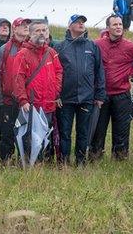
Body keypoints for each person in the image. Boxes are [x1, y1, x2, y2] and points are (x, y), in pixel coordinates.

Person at [91, 15, 133, 160]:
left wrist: (132, 73)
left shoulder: (130, 46)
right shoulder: (97, 45)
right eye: (115, 25)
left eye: (120, 24)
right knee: (99, 127)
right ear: (108, 28)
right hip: (102, 94)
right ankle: (95, 155)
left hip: (122, 94)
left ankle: (120, 157)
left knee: (121, 127)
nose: (118, 27)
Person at [54, 15, 105, 166]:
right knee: (65, 132)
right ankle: (63, 162)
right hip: (65, 98)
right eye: (77, 22)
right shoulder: (60, 47)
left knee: (83, 132)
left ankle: (81, 162)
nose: (81, 24)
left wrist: (100, 95)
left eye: (83, 22)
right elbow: (54, 72)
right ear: (69, 26)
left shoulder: (92, 46)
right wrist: (56, 95)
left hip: (87, 97)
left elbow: (99, 71)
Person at [11, 20, 63, 161]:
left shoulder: (51, 52)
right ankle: (29, 164)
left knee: (47, 136)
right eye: (38, 30)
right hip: (31, 106)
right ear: (30, 33)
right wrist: (23, 100)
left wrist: (56, 90)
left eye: (44, 30)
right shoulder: (22, 54)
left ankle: (45, 165)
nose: (42, 33)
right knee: (31, 137)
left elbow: (59, 71)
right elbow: (17, 78)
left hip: (48, 104)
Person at [0, 17, 30, 160]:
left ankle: (25, 162)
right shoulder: (5, 49)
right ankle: (5, 162)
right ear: (14, 29)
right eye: (22, 25)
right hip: (8, 100)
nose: (26, 27)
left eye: (27, 25)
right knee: (6, 134)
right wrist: (0, 100)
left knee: (25, 133)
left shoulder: (30, 48)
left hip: (26, 101)